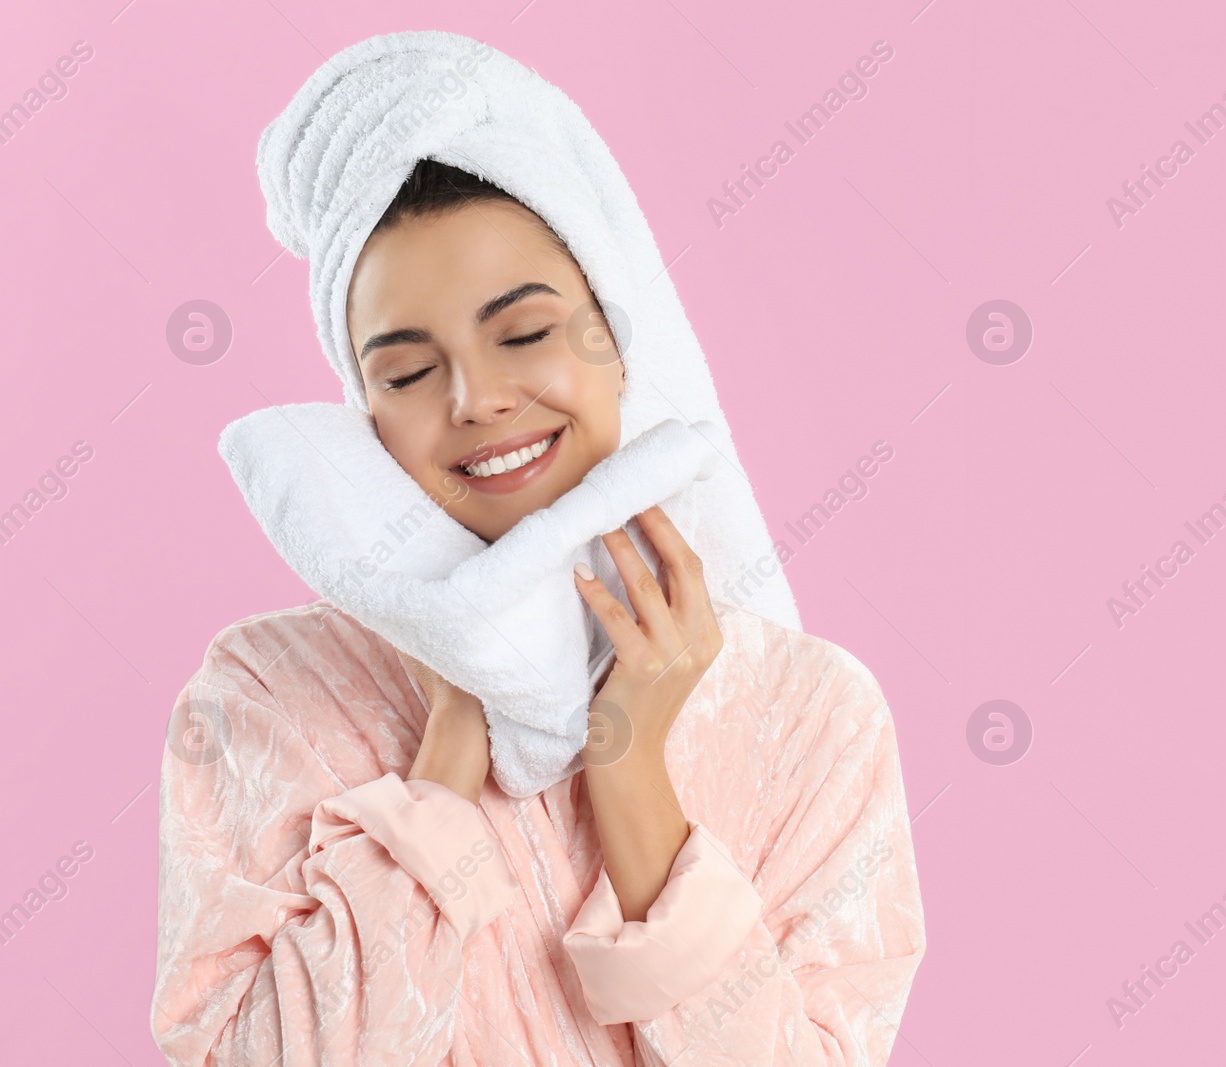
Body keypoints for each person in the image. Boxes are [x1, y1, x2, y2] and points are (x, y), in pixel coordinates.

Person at [149, 32, 925, 1067]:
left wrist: (632, 768)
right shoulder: (268, 692)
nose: (477, 400)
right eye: (409, 372)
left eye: (522, 334)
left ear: (615, 330)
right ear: (361, 409)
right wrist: (450, 744)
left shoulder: (811, 714)